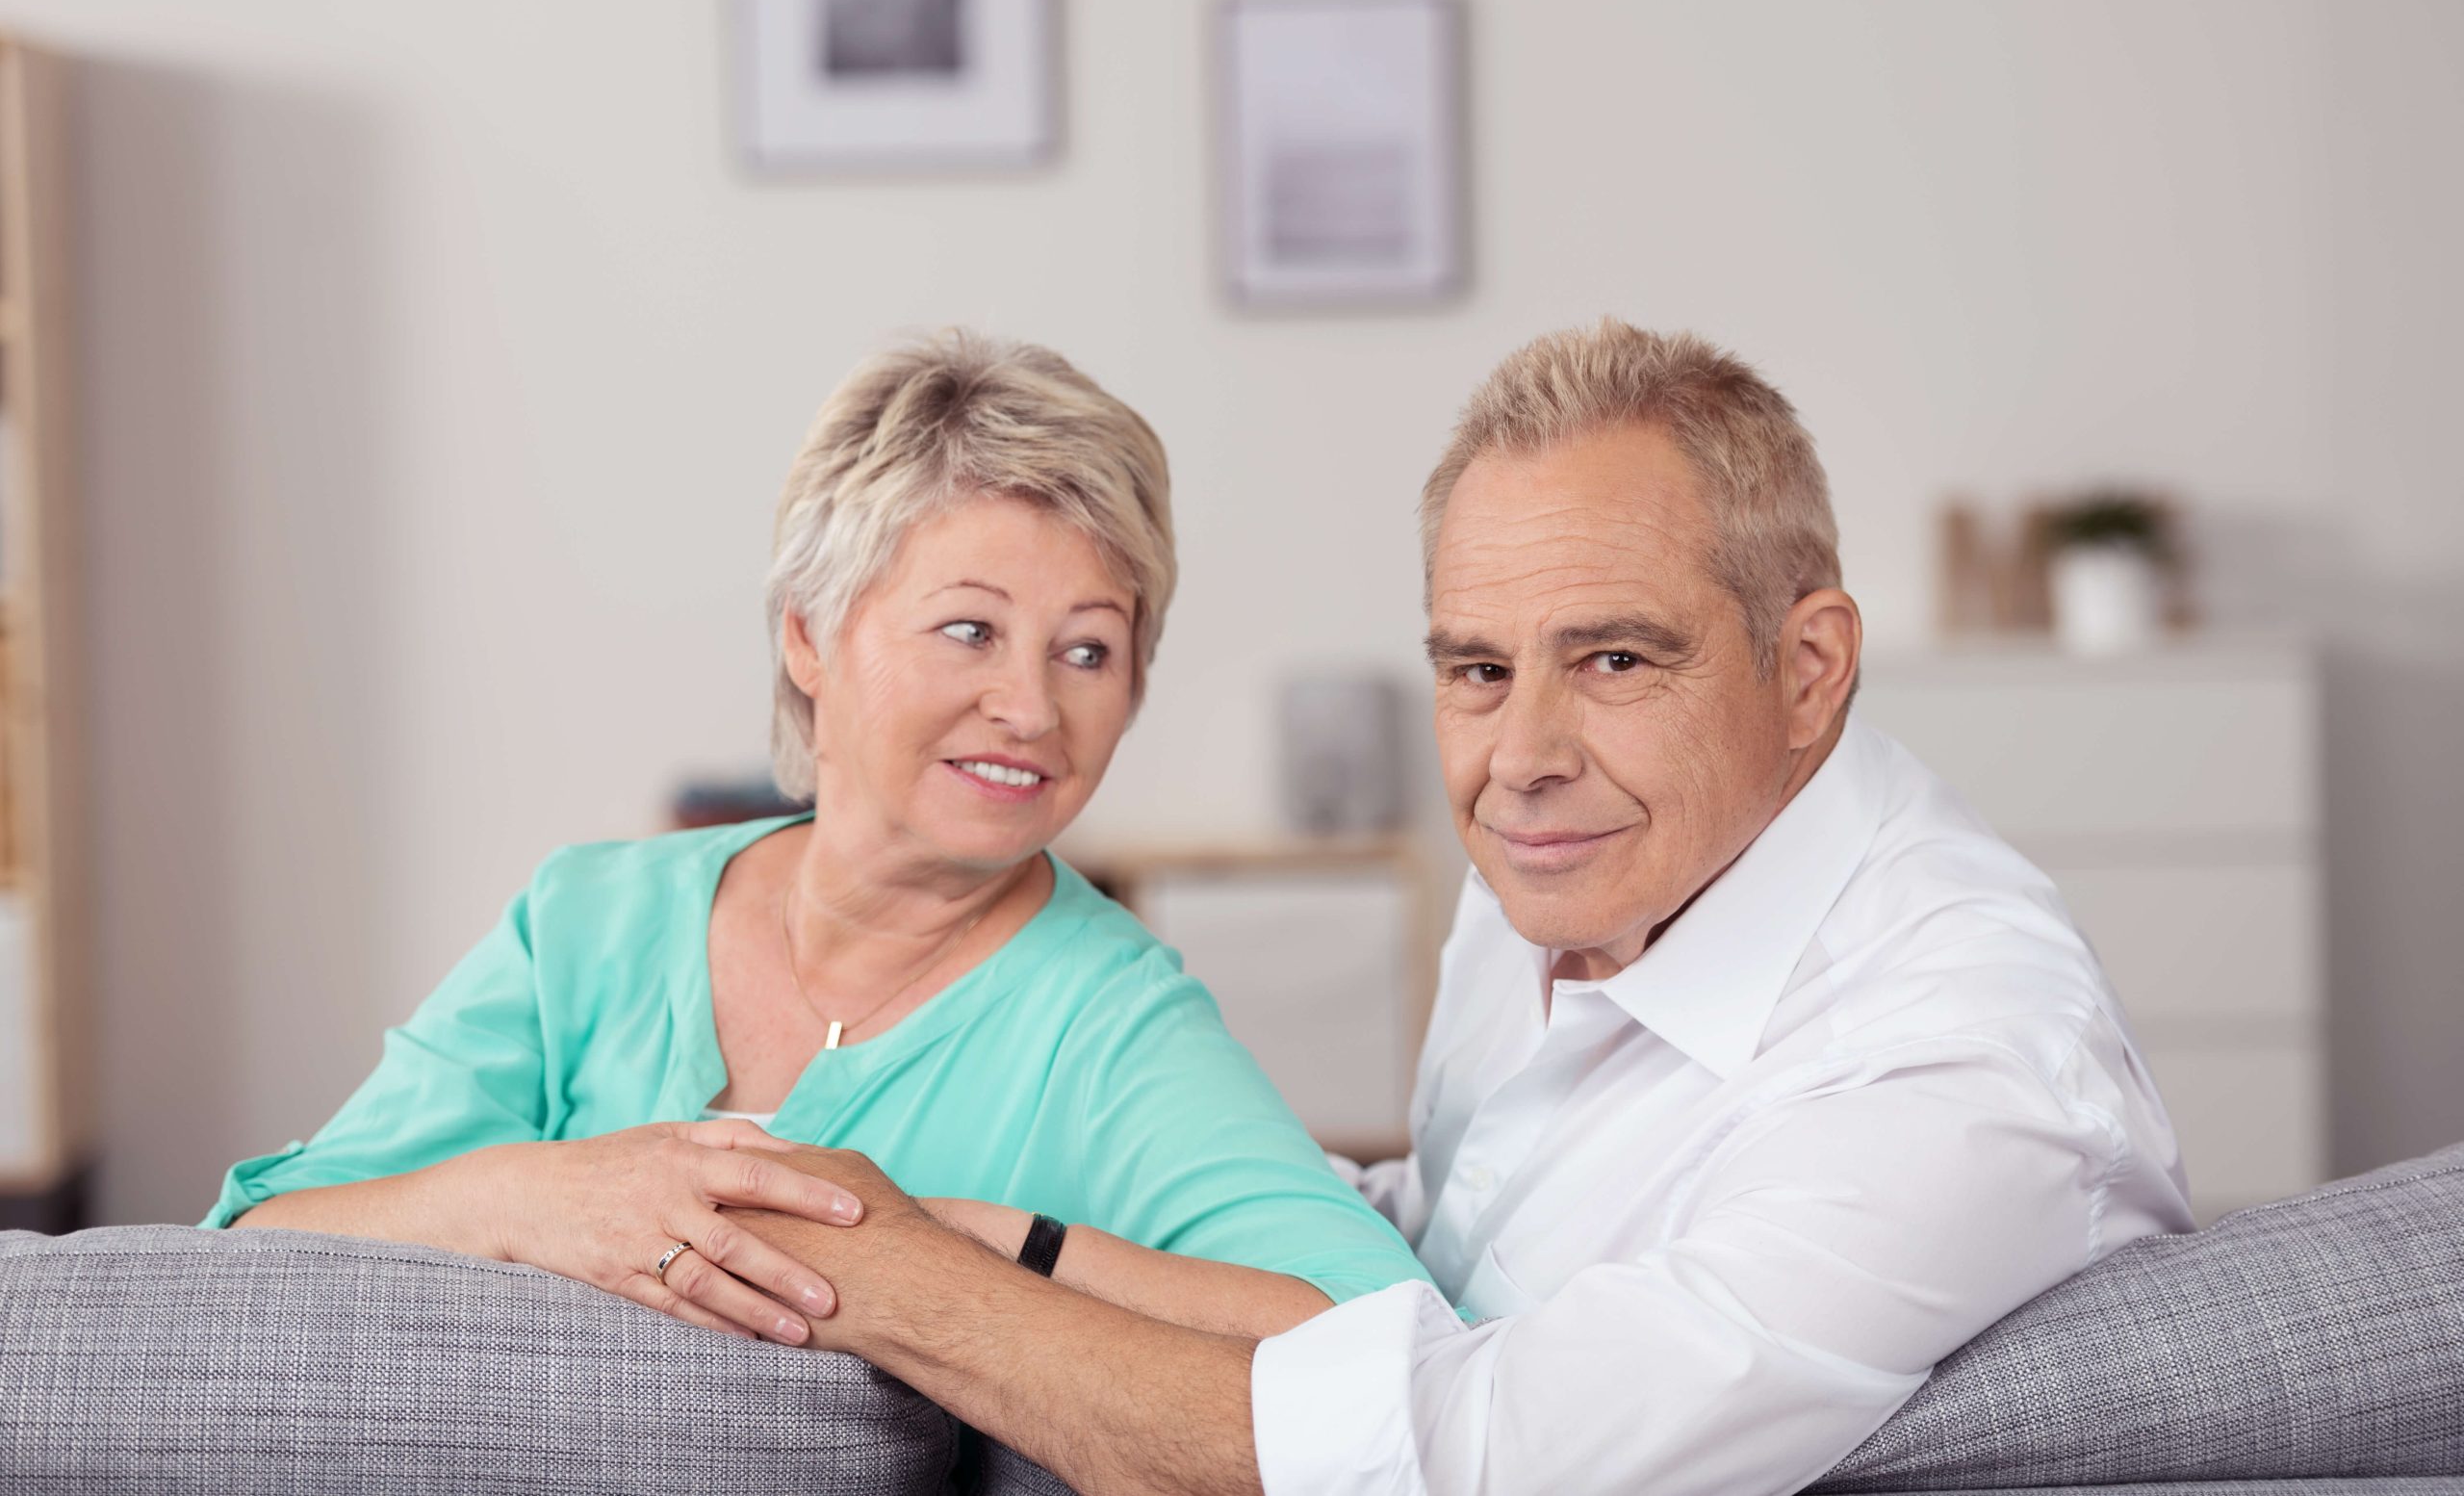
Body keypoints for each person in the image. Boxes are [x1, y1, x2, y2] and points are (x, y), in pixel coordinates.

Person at [718, 320, 2195, 1496]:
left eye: (1617, 660)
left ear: (1808, 669)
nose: (1520, 759)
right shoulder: (1585, 873)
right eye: (1477, 669)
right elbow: (1457, 1239)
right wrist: (1037, 1229)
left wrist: (904, 1281)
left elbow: (1450, 1461)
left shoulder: (1955, 1059)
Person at [200, 329, 1432, 1352]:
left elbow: (1390, 1336)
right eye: (969, 629)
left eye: (1088, 648)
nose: (1032, 705)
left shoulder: (1110, 1020)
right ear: (808, 635)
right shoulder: (588, 919)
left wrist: (1001, 1250)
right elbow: (256, 1244)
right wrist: (541, 1196)